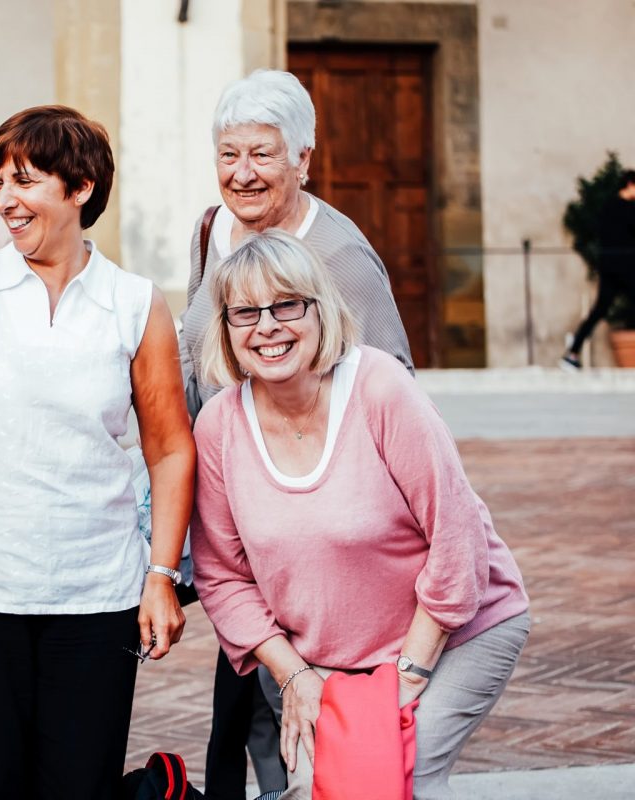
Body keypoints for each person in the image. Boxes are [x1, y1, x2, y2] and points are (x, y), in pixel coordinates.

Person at [0, 105, 196, 800]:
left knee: (78, 789)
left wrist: (161, 574)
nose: (3, 199)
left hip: (95, 596)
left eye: (23, 180)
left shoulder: (135, 304)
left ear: (80, 187)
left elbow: (171, 449)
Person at [190, 229, 530, 799]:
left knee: (401, 776)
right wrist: (293, 673)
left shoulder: (379, 388)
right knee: (320, 787)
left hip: (451, 635)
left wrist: (408, 677)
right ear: (225, 329)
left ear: (320, 309)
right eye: (245, 312)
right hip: (318, 658)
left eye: (286, 305)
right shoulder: (219, 426)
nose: (267, 326)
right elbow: (223, 575)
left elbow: (457, 536)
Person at [174, 68, 416, 799]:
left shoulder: (339, 255)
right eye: (228, 154)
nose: (241, 175)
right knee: (248, 700)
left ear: (303, 159)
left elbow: (393, 387)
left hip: (309, 519)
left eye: (262, 155)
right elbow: (201, 348)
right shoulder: (213, 229)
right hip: (235, 508)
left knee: (290, 702)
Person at [562, 169, 635, 370]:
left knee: (598, 311)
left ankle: (572, 353)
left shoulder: (608, 208)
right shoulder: (627, 209)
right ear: (630, 185)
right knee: (600, 310)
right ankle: (572, 353)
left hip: (610, 267)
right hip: (625, 267)